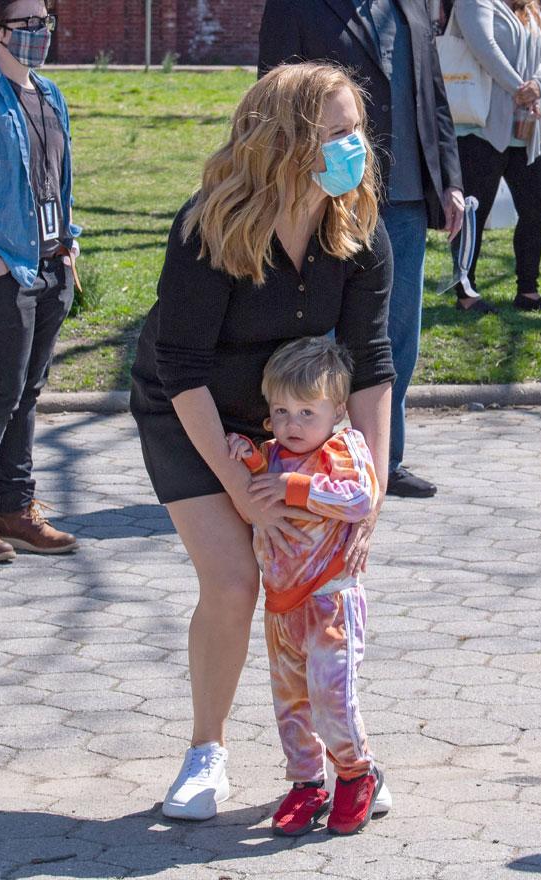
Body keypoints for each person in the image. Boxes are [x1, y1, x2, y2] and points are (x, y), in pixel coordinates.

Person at [127, 63, 395, 822]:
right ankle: (204, 754)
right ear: (288, 140)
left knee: (319, 598)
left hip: (295, 427)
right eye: (339, 133)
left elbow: (372, 363)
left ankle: (348, 765)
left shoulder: (358, 229)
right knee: (237, 583)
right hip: (192, 414)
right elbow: (180, 368)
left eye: (359, 132)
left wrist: (368, 485)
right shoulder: (210, 226)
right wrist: (239, 484)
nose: (358, 149)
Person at [259, 0, 467, 500]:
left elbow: (431, 93)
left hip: (407, 197)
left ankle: (381, 462)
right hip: (328, 196)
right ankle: (309, 460)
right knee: (323, 335)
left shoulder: (413, 5)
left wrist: (451, 181)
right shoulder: (295, 7)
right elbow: (273, 100)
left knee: (397, 335)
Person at [224, 336, 392, 836]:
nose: (292, 425)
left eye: (305, 412)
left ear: (337, 411)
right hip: (281, 607)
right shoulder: (273, 454)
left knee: (331, 696)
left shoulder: (344, 448)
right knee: (291, 702)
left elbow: (361, 497)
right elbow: (257, 485)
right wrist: (249, 461)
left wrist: (295, 487)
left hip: (330, 600)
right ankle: (305, 782)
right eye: (280, 411)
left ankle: (357, 773)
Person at [0, 0, 80, 562]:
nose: (40, 34)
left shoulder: (49, 95)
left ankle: (16, 510)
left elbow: (60, 176)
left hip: (50, 264)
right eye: (27, 25)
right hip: (4, 269)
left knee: (28, 392)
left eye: (46, 23)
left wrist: (70, 242)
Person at [448, 0, 541, 312]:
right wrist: (520, 88)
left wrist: (537, 85)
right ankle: (466, 292)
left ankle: (528, 291)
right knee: (472, 216)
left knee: (534, 210)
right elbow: (484, 47)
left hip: (529, 131)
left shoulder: (533, 7)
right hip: (482, 129)